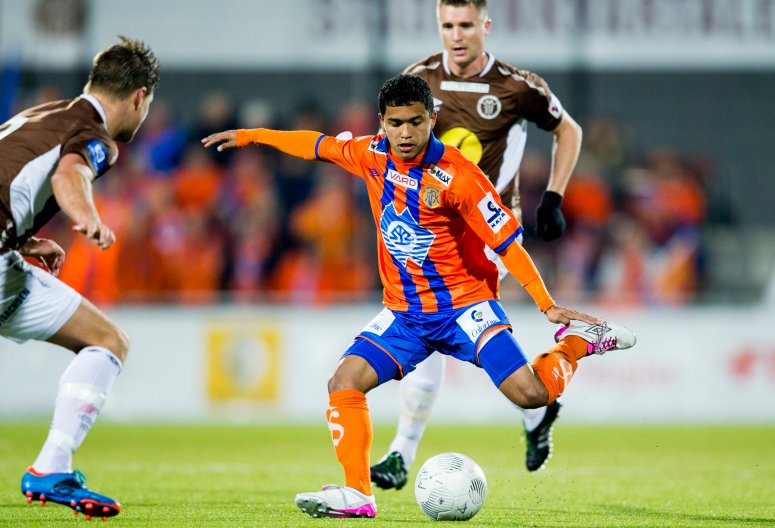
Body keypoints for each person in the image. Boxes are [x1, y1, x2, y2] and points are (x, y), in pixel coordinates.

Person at [203, 74, 634, 519]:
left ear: (432, 118)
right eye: (395, 123)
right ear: (381, 122)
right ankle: (358, 495)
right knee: (343, 382)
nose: (405, 133)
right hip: (405, 316)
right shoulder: (371, 153)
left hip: (464, 308)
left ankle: (579, 343)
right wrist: (251, 136)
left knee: (530, 395)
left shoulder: (460, 176)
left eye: (415, 122)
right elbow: (316, 144)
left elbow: (507, 244)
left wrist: (547, 305)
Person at [368, 0, 585, 490]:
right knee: (430, 325)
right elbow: (389, 143)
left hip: (487, 231)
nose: (457, 35)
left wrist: (554, 196)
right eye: (447, 25)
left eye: (466, 25)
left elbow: (568, 130)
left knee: (429, 322)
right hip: (428, 229)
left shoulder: (517, 87)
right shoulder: (419, 78)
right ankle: (535, 414)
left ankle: (402, 452)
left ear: (485, 26)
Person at [0, 36, 159, 520]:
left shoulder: (42, 115)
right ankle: (51, 467)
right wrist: (87, 216)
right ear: (139, 97)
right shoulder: (94, 134)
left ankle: (53, 468)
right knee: (107, 341)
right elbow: (70, 175)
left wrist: (22, 240)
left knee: (107, 338)